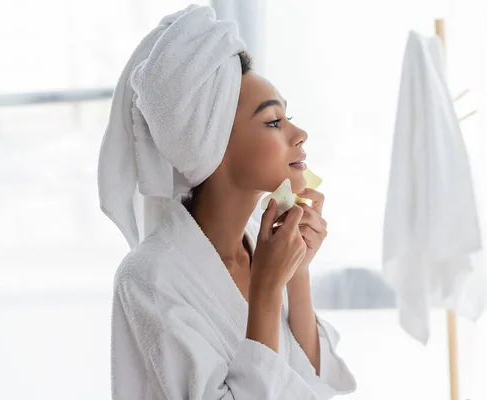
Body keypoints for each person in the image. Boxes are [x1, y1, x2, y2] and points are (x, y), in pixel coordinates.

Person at [97, 5, 356, 399]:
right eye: (273, 122)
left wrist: (297, 271)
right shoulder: (149, 278)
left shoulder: (263, 240)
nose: (299, 133)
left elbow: (314, 385)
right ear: (214, 144)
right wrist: (268, 290)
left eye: (289, 117)